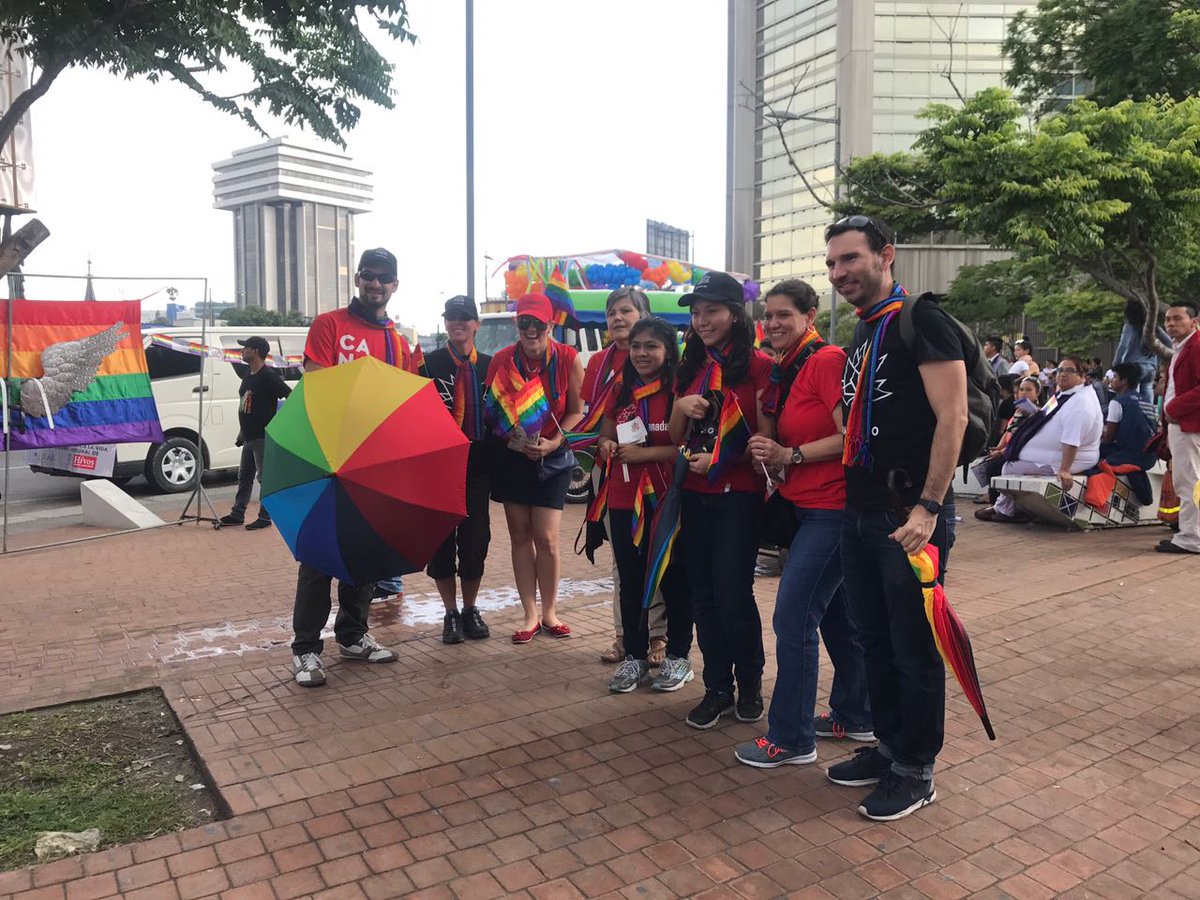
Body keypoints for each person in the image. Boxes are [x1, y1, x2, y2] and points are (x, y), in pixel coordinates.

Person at [822, 215, 966, 822]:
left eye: (850, 259)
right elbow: (853, 418)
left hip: (909, 514)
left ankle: (916, 769)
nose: (839, 274)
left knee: (913, 647)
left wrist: (930, 508)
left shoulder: (921, 321)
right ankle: (887, 747)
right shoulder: (863, 333)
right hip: (860, 511)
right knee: (873, 639)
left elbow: (952, 417)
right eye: (832, 264)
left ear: (887, 256)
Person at [731, 279, 873, 770]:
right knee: (833, 616)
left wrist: (791, 454)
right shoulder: (787, 369)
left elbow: (850, 436)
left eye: (784, 315)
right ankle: (856, 713)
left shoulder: (826, 361)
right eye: (767, 316)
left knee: (793, 618)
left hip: (832, 511)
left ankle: (790, 736)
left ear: (810, 316)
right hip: (807, 508)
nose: (772, 324)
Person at [290, 248, 417, 687]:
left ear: (395, 285)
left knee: (363, 551)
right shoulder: (330, 324)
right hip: (328, 454)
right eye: (368, 276)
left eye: (384, 278)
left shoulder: (399, 341)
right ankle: (306, 649)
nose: (375, 284)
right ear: (358, 279)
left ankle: (353, 635)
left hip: (373, 461)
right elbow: (315, 378)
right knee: (318, 554)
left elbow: (408, 402)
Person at [669, 271, 773, 729]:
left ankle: (749, 684)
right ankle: (716, 687)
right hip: (695, 495)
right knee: (703, 597)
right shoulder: (690, 369)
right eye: (696, 312)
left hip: (739, 496)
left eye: (711, 310)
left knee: (733, 593)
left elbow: (767, 437)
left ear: (735, 313)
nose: (702, 319)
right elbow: (676, 439)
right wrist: (679, 409)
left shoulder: (760, 368)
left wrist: (720, 457)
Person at [597, 317, 695, 693]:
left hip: (667, 499)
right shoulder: (620, 390)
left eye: (651, 346)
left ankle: (679, 657)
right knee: (632, 578)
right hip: (624, 499)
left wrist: (642, 454)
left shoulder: (679, 391)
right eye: (636, 345)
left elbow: (684, 448)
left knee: (673, 578)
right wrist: (606, 447)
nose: (641, 353)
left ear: (668, 351)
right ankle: (634, 658)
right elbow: (604, 437)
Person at [486, 293, 585, 641]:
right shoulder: (502, 359)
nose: (531, 330)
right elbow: (494, 409)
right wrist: (515, 437)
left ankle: (550, 612)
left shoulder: (568, 359)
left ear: (550, 324)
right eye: (524, 322)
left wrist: (555, 442)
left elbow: (576, 410)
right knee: (519, 535)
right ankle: (529, 614)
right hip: (513, 456)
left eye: (537, 323)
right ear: (518, 325)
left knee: (546, 537)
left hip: (553, 456)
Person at [583, 287, 667, 667]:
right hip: (616, 474)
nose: (617, 318)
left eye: (626, 311)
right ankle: (624, 636)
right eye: (612, 312)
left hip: (659, 479)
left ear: (645, 315)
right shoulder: (600, 364)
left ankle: (659, 639)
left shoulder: (666, 365)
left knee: (660, 556)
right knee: (624, 561)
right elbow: (592, 418)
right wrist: (602, 445)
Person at [420, 295, 494, 643]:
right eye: (452, 317)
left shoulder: (491, 367)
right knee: (441, 544)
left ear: (476, 324)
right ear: (445, 323)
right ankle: (449, 612)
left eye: (465, 317)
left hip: (478, 471)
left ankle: (470, 608)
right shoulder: (428, 364)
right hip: (437, 472)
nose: (458, 322)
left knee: (476, 542)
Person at [976, 355, 1104, 524]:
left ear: (1082, 376)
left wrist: (1065, 469)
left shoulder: (1081, 404)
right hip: (1050, 453)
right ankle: (1009, 507)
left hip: (1066, 459)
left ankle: (1004, 509)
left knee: (1009, 467)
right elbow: (1045, 414)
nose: (1062, 374)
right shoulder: (1063, 394)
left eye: (1069, 371)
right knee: (1003, 464)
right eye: (1060, 370)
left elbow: (1072, 441)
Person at [220, 336, 290, 530]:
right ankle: (237, 513)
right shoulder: (248, 375)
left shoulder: (268, 377)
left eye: (246, 348)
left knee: (264, 477)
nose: (242, 352)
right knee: (244, 476)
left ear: (256, 351)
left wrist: (277, 424)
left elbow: (290, 396)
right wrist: (241, 433)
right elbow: (245, 405)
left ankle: (266, 516)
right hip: (249, 436)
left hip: (262, 436)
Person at [1157, 301, 1200, 554]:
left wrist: (1174, 408)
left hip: (1189, 424)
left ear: (1193, 321)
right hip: (1184, 424)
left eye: (1177, 319)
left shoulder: (1195, 346)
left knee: (1189, 481)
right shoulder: (1184, 346)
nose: (1171, 324)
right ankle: (1190, 533)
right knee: (1190, 480)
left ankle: (1191, 538)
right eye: (1167, 320)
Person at [1100, 363, 1158, 469]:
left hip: (1129, 456)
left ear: (1124, 381)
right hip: (1150, 458)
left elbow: (1109, 438)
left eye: (1115, 377)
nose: (1112, 380)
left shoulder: (1117, 402)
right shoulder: (1146, 400)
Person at [1115, 298, 1171, 404]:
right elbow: (1168, 342)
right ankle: (1149, 418)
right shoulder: (1153, 327)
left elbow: (1123, 345)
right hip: (1150, 367)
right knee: (1147, 396)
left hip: (1133, 367)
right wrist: (1158, 359)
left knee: (1130, 397)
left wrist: (1117, 365)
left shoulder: (1130, 325)